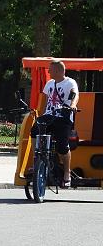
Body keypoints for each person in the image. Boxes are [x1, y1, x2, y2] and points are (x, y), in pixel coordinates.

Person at [31, 59, 79, 188]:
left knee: (62, 146)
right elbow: (44, 103)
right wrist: (38, 115)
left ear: (58, 70)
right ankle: (36, 160)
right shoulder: (49, 83)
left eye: (50, 69)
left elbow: (74, 95)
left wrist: (73, 105)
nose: (49, 71)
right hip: (49, 116)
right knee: (34, 130)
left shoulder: (70, 82)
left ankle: (67, 173)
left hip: (63, 116)